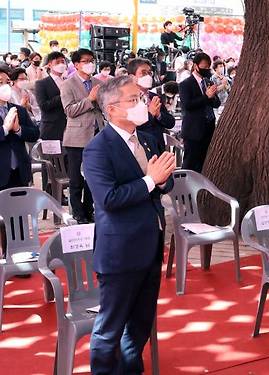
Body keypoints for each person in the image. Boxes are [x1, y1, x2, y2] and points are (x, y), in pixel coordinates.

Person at [84, 76, 175, 374]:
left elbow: (164, 180)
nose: (142, 104)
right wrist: (151, 180)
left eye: (141, 97)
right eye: (134, 99)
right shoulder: (98, 148)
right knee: (110, 329)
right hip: (120, 251)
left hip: (150, 245)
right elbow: (108, 198)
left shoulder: (147, 138)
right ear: (112, 109)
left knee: (139, 324)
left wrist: (159, 180)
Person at [60, 48, 105, 224]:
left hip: (97, 135)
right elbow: (69, 110)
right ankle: (78, 213)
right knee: (76, 179)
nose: (89, 64)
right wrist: (90, 99)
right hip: (76, 137)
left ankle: (89, 209)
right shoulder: (68, 84)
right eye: (85, 61)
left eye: (91, 60)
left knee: (93, 177)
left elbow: (102, 106)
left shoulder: (97, 82)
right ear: (76, 64)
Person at [179, 52, 221, 172]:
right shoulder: (185, 84)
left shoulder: (209, 82)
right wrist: (206, 97)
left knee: (205, 163)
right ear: (196, 66)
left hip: (209, 128)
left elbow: (216, 103)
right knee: (190, 163)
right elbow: (187, 105)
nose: (206, 70)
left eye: (208, 67)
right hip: (193, 131)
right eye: (204, 67)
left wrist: (212, 97)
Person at [0, 67, 40, 191]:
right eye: (0, 82)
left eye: (7, 82)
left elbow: (34, 134)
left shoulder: (19, 110)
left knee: (20, 208)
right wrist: (5, 129)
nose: (4, 86)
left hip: (20, 171)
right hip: (1, 171)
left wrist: (18, 130)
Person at [126, 58, 175, 150]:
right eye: (143, 73)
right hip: (138, 149)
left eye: (149, 73)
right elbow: (131, 126)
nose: (148, 76)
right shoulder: (126, 99)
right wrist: (150, 114)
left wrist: (159, 115)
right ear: (132, 77)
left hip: (157, 147)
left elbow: (170, 122)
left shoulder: (154, 97)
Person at [35, 51, 67, 141]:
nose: (61, 65)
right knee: (51, 154)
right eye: (57, 62)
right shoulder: (41, 83)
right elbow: (43, 105)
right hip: (51, 128)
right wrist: (63, 95)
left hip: (69, 127)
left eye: (63, 62)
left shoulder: (68, 81)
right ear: (49, 65)